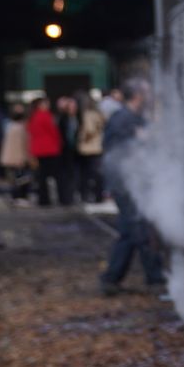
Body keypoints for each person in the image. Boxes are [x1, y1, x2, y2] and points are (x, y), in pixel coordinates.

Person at [98, 80, 165, 295]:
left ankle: (112, 279)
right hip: (126, 183)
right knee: (138, 229)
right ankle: (153, 277)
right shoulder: (122, 121)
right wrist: (142, 140)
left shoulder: (133, 119)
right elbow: (117, 154)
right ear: (136, 96)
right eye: (146, 92)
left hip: (133, 182)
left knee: (130, 231)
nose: (150, 96)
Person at [26, 97, 61, 207]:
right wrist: (59, 144)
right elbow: (53, 131)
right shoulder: (46, 116)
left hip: (37, 149)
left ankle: (43, 199)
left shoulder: (32, 116)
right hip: (49, 149)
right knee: (55, 176)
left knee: (41, 177)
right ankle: (57, 198)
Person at [0, 102, 32, 202]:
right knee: (22, 179)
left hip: (12, 157)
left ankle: (17, 196)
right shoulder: (21, 127)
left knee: (16, 178)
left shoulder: (8, 125)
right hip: (18, 158)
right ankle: (20, 197)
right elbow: (22, 145)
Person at [75, 92, 106, 203]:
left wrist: (82, 138)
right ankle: (99, 195)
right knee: (97, 174)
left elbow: (89, 131)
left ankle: (86, 195)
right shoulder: (99, 114)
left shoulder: (87, 114)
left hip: (87, 148)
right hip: (98, 147)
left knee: (86, 174)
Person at [54, 94, 79, 206]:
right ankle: (66, 198)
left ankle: (69, 196)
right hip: (65, 151)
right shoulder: (63, 118)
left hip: (73, 150)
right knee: (66, 175)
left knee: (72, 174)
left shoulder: (77, 117)